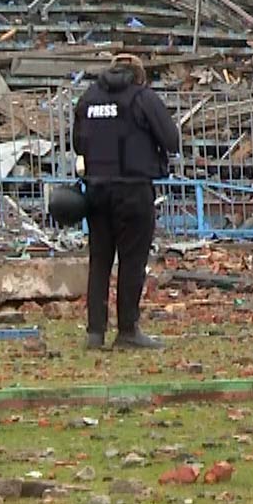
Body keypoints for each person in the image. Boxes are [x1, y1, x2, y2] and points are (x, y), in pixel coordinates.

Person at [72, 60, 179, 349]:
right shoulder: (142, 98)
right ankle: (128, 331)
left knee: (100, 261)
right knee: (132, 262)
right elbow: (172, 140)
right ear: (138, 75)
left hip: (96, 190)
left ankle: (95, 332)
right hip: (133, 190)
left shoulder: (88, 98)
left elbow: (77, 144)